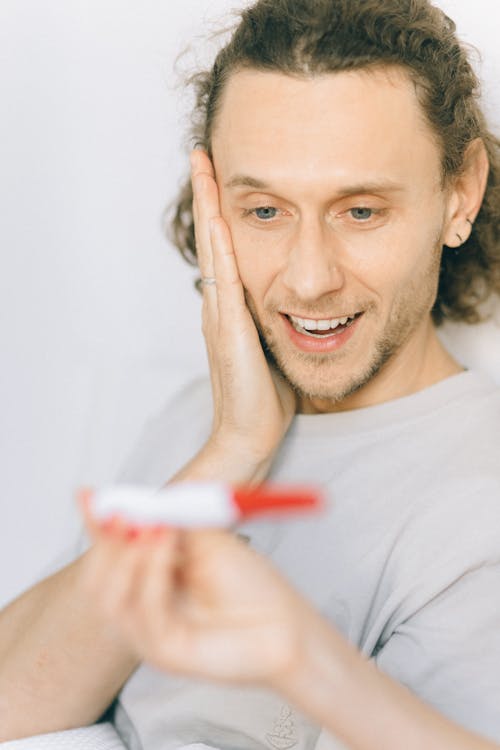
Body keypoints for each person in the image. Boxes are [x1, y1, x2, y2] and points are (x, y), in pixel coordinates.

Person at [1, 0, 500, 749]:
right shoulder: (199, 418)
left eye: (360, 211)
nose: (307, 280)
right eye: (264, 211)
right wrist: (232, 450)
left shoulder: (478, 502)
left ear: (458, 194)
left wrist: (306, 658)